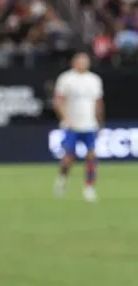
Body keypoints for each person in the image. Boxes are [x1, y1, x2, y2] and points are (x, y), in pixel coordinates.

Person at [53, 52, 103, 202]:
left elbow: (98, 103)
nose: (83, 63)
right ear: (74, 63)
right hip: (72, 125)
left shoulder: (94, 80)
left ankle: (89, 187)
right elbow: (58, 101)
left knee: (91, 156)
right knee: (69, 157)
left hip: (89, 124)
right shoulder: (66, 79)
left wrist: (99, 122)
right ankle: (62, 179)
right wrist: (65, 118)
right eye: (80, 61)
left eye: (85, 61)